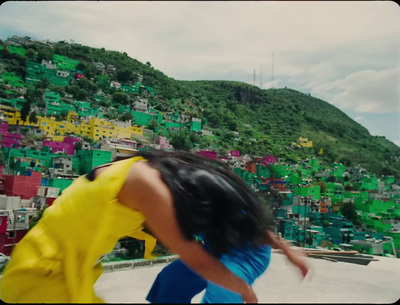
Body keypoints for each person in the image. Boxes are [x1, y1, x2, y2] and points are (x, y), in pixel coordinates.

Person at [0, 150, 277, 303]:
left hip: (55, 263)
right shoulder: (151, 187)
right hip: (46, 274)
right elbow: (196, 258)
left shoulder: (148, 167)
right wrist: (245, 290)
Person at [146, 231, 308, 303]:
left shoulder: (221, 198)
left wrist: (287, 250)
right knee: (172, 278)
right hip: (216, 246)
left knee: (224, 287)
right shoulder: (172, 206)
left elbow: (262, 232)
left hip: (249, 253)